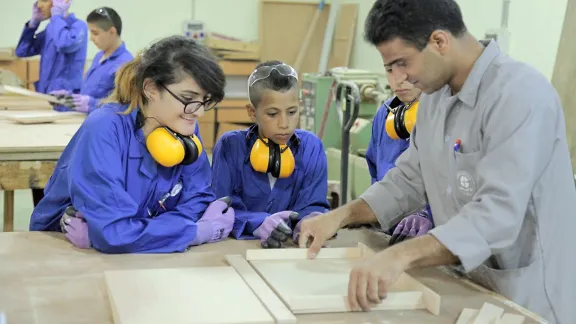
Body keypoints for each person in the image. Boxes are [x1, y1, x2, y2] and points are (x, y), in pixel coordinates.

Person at [296, 0, 575, 323]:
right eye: (390, 67)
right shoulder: (434, 99)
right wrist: (340, 216)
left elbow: (498, 213)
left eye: (402, 63)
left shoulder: (520, 95)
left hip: (533, 297)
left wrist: (399, 256)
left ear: (439, 41)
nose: (398, 79)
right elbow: (409, 178)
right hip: (473, 285)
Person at [29, 35, 235, 254]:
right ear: (151, 88)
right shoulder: (104, 128)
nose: (199, 111)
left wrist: (136, 234)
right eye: (188, 97)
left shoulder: (185, 127)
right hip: (62, 252)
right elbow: (114, 233)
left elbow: (199, 201)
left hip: (138, 256)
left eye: (205, 101)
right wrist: (194, 233)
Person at [211, 61, 330, 249]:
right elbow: (220, 208)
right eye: (273, 114)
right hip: (238, 248)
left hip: (292, 249)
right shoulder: (229, 146)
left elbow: (313, 204)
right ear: (252, 112)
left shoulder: (312, 147)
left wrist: (310, 222)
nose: (284, 124)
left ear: (300, 106)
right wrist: (258, 223)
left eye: (292, 112)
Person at [366, 77, 433, 245]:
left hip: (432, 241)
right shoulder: (384, 115)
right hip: (389, 235)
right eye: (389, 69)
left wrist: (429, 215)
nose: (398, 79)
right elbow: (375, 173)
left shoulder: (443, 116)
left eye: (406, 66)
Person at [50, 7, 133, 113]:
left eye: (95, 33)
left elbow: (126, 107)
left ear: (112, 31)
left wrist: (93, 105)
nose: (91, 38)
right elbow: (89, 94)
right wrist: (68, 99)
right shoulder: (98, 57)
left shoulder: (126, 64)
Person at [15, 0, 88, 95]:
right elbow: (22, 51)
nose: (39, 5)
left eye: (44, 0)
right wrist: (32, 25)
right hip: (45, 94)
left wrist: (57, 17)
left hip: (66, 98)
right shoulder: (50, 29)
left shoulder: (78, 26)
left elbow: (64, 45)